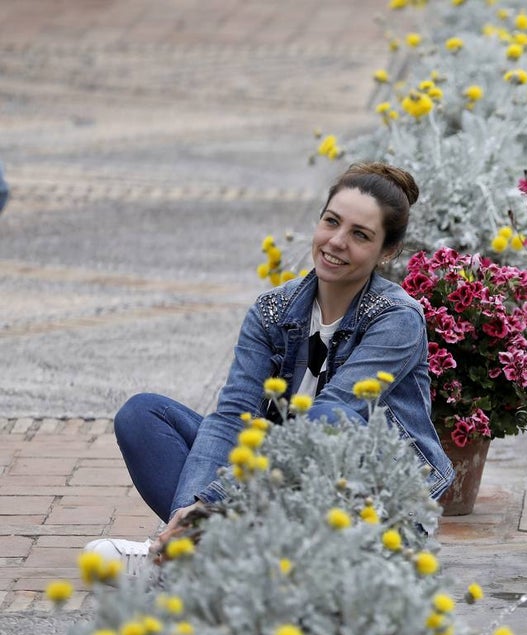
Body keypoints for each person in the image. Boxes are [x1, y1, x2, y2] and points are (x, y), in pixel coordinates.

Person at [86, 162, 454, 572]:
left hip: (368, 502)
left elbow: (323, 425)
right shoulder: (273, 310)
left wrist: (215, 502)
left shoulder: (396, 318)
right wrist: (193, 509)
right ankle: (196, 554)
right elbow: (231, 419)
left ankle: (203, 559)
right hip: (268, 489)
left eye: (360, 235)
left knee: (327, 416)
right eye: (331, 222)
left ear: (387, 252)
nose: (336, 241)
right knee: (142, 416)